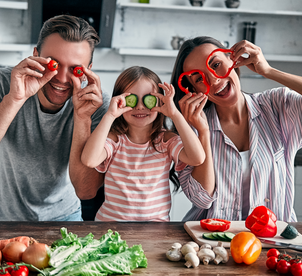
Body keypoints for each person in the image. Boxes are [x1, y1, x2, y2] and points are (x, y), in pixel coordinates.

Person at [0, 15, 110, 221]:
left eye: (75, 69)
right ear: (35, 55)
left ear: (89, 68)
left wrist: (82, 118)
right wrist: (15, 99)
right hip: (2, 218)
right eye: (53, 64)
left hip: (64, 217)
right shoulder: (2, 83)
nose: (61, 78)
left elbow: (86, 191)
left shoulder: (96, 102)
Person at [170, 37, 302, 222]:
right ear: (192, 89)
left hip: (273, 239)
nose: (214, 80)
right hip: (211, 242)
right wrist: (203, 133)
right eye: (199, 78)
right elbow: (202, 200)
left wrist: (269, 71)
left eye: (216, 64)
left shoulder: (277, 106)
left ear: (232, 59)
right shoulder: (190, 130)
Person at [81, 66, 207, 221]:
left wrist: (174, 114)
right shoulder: (115, 140)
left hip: (154, 230)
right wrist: (110, 115)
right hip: (110, 226)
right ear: (119, 101)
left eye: (148, 99)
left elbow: (197, 158)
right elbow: (89, 160)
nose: (140, 106)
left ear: (160, 101)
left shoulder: (165, 140)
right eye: (131, 99)